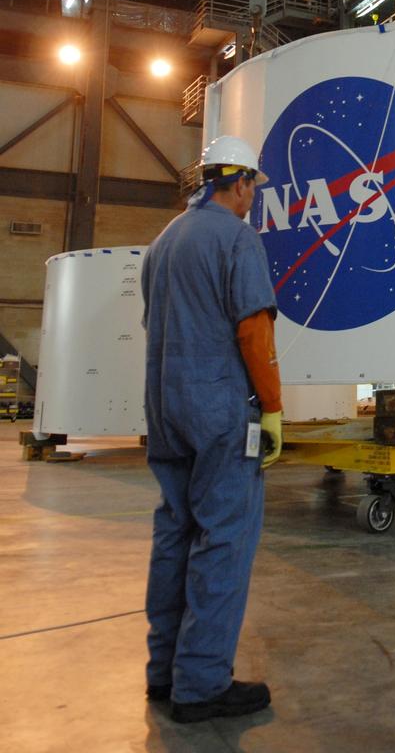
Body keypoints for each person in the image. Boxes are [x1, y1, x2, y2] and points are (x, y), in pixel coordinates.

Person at [141, 134, 283, 724]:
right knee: (224, 538)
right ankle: (199, 685)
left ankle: (164, 673)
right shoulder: (237, 238)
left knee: (176, 533)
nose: (254, 198)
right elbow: (253, 330)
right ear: (242, 182)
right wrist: (271, 408)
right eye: (254, 187)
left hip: (166, 409)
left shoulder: (162, 242)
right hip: (219, 412)